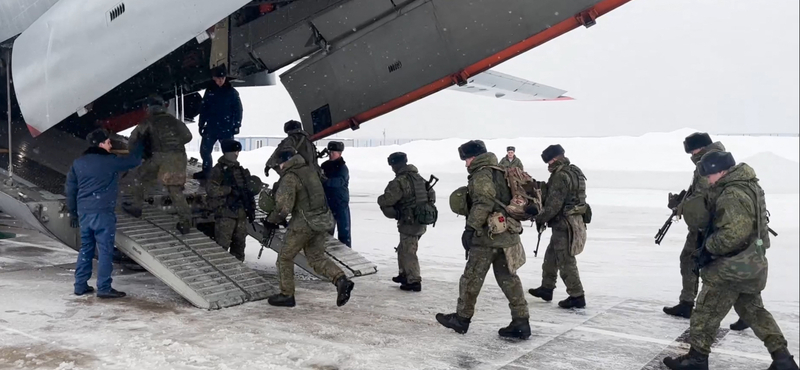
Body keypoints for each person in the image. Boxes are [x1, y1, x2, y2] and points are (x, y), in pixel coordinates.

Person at [663, 152, 798, 370]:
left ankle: (696, 360)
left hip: (731, 267)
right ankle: (783, 359)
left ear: (721, 171)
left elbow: (733, 234)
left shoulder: (732, 194)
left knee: (705, 312)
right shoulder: (749, 185)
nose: (707, 180)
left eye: (709, 175)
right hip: (751, 262)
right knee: (753, 311)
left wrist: (708, 248)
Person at [436, 140, 531, 339]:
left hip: (488, 237)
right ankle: (521, 321)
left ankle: (461, 319)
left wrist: (470, 228)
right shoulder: (501, 169)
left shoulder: (482, 173)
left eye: (467, 159)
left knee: (471, 277)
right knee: (509, 279)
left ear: (475, 157)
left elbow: (483, 202)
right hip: (506, 235)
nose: (466, 164)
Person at [663, 133, 749, 330]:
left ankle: (747, 312)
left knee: (723, 271)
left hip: (711, 226)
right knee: (690, 260)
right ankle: (686, 303)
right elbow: (699, 195)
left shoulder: (711, 162)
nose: (691, 154)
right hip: (703, 225)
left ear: (701, 147)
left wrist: (684, 207)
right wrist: (682, 201)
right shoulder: (709, 160)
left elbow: (706, 197)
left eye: (692, 150)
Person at [263, 149, 354, 308]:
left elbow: (284, 207)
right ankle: (341, 280)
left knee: (285, 257)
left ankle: (287, 295)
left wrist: (271, 221)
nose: (279, 169)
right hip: (321, 221)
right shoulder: (310, 171)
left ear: (284, 162)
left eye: (279, 165)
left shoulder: (290, 177)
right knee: (316, 258)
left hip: (304, 223)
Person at [66, 129, 143, 298]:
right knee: (105, 250)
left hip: (84, 213)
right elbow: (134, 161)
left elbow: (70, 190)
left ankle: (80, 285)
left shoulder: (78, 163)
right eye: (108, 142)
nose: (110, 145)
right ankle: (104, 287)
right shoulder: (110, 161)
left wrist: (73, 213)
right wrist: (139, 144)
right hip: (103, 213)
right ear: (101, 144)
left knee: (86, 248)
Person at [527, 144, 588, 309]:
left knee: (566, 261)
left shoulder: (560, 176)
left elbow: (554, 205)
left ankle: (577, 296)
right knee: (551, 257)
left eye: (549, 161)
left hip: (564, 224)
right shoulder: (575, 171)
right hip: (574, 221)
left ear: (554, 158)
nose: (548, 165)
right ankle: (547, 288)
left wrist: (540, 218)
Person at [124, 96, 193, 234]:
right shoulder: (174, 120)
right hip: (179, 156)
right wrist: (174, 144)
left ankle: (136, 207)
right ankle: (186, 222)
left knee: (140, 176)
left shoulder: (148, 121)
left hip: (160, 155)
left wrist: (140, 152)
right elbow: (188, 136)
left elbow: (133, 140)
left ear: (148, 108)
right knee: (175, 190)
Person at [377, 152, 428, 292]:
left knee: (409, 251)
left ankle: (414, 280)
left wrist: (380, 200)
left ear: (395, 164)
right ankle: (404, 274)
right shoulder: (419, 178)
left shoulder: (400, 181)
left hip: (409, 222)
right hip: (421, 220)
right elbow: (431, 196)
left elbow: (388, 199)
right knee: (403, 248)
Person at [206, 139, 257, 262]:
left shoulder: (241, 170)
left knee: (239, 247)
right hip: (226, 212)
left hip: (241, 213)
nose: (236, 154)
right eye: (234, 151)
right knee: (222, 247)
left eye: (238, 151)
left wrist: (251, 208)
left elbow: (248, 191)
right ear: (226, 152)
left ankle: (237, 272)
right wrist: (229, 190)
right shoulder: (218, 170)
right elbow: (211, 190)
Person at [194, 65, 243, 179]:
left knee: (229, 154)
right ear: (214, 78)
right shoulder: (210, 91)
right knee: (205, 151)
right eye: (218, 78)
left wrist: (237, 125)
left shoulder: (232, 92)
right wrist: (201, 124)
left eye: (222, 78)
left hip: (226, 128)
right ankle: (207, 172)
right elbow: (204, 109)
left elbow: (238, 110)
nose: (220, 81)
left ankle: (228, 175)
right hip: (211, 127)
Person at [321, 141, 351, 247]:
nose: (331, 154)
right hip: (327, 203)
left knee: (344, 232)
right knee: (326, 233)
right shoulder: (325, 166)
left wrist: (325, 180)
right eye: (330, 152)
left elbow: (339, 182)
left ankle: (346, 254)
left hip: (340, 203)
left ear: (340, 153)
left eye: (334, 152)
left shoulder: (342, 168)